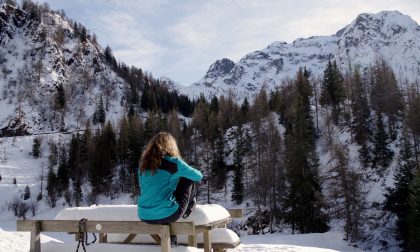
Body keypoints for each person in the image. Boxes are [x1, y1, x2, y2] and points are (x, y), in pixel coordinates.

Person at [137, 132, 203, 245]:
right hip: (168, 214)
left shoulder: (143, 166)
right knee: (188, 178)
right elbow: (198, 176)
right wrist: (180, 174)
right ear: (171, 146)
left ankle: (171, 239)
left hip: (144, 214)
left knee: (164, 194)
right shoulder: (174, 163)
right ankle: (188, 208)